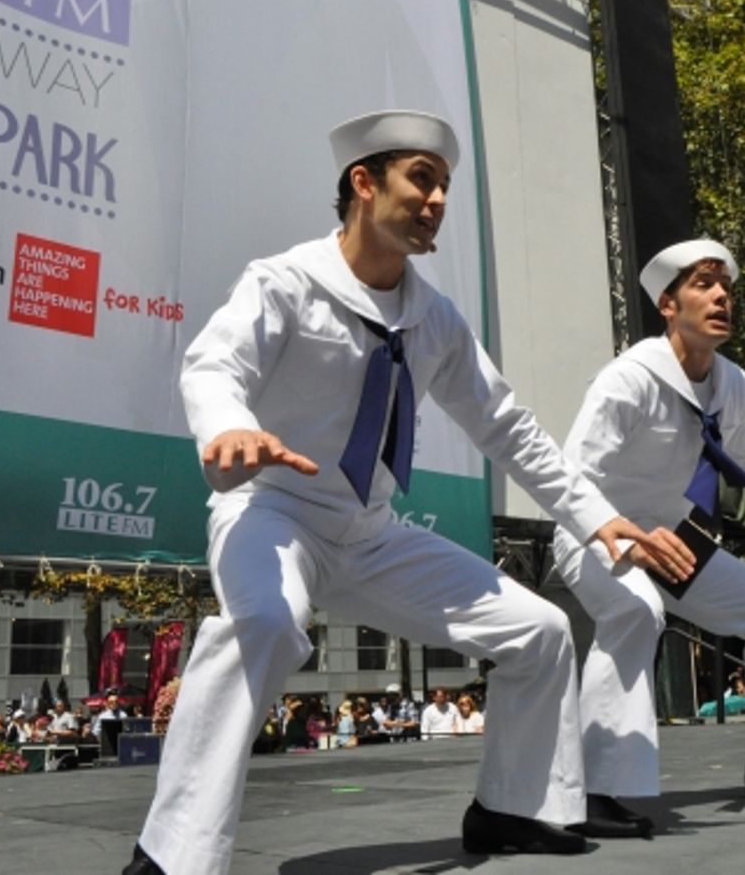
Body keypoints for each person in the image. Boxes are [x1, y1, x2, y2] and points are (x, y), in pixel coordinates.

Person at [123, 109, 693, 875]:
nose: (436, 201)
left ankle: (511, 809)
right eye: (421, 179)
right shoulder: (285, 282)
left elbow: (508, 428)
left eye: (444, 186)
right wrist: (228, 426)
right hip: (273, 513)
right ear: (363, 182)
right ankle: (172, 856)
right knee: (264, 622)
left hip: (369, 531)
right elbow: (214, 366)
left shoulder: (434, 318)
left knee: (542, 629)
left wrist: (599, 518)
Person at [553, 238, 745, 838]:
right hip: (595, 533)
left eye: (726, 286)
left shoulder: (732, 384)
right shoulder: (628, 379)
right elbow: (576, 477)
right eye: (704, 284)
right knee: (636, 610)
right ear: (668, 306)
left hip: (669, 540)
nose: (722, 295)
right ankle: (593, 790)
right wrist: (622, 539)